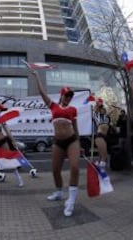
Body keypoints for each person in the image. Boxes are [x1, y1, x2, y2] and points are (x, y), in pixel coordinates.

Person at [32, 70, 80, 217]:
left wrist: (80, 144)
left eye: (70, 96)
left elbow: (76, 129)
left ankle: (71, 201)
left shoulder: (73, 109)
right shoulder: (53, 106)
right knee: (55, 170)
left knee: (75, 168)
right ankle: (59, 192)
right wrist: (36, 75)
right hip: (58, 142)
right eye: (67, 95)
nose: (69, 98)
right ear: (62, 95)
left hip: (72, 140)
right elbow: (41, 92)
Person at [92, 98, 111, 172]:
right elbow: (95, 109)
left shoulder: (106, 118)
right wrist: (98, 103)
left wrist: (106, 104)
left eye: (103, 108)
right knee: (104, 156)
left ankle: (97, 170)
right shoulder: (97, 115)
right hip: (99, 136)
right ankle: (102, 173)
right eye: (101, 108)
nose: (102, 109)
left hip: (104, 137)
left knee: (102, 156)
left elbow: (111, 110)